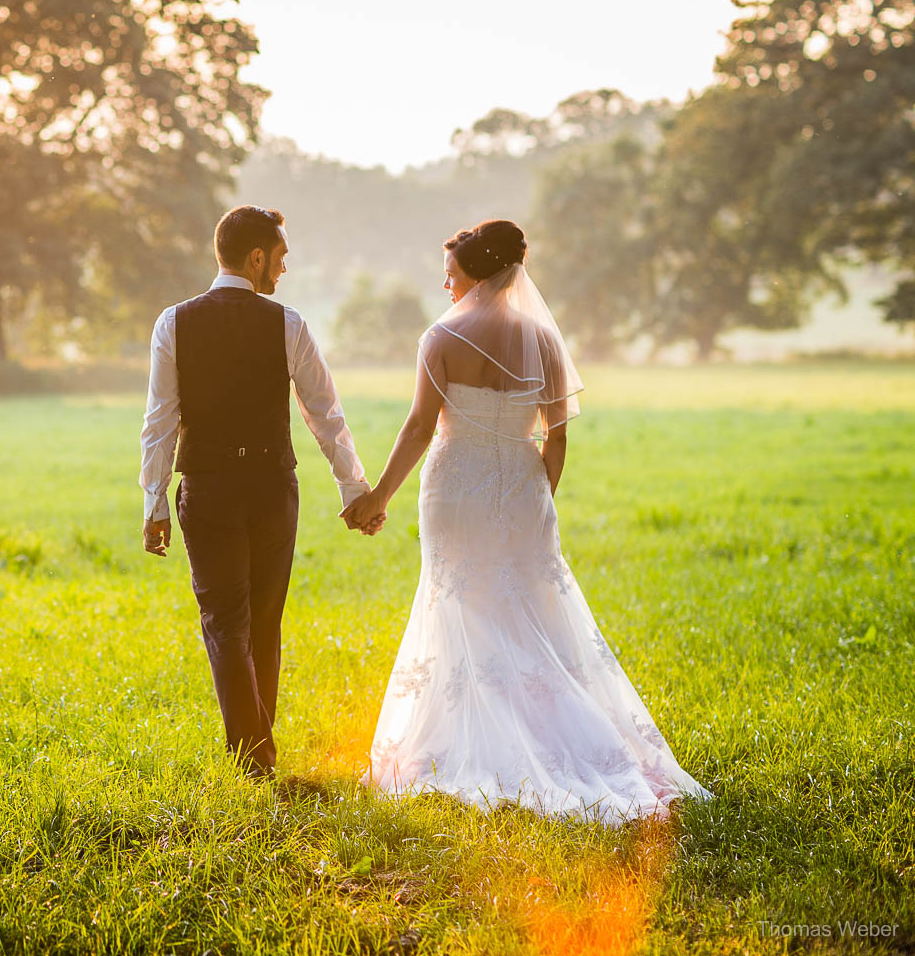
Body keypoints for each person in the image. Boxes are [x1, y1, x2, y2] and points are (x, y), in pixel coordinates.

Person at [341, 219, 710, 822]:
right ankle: (569, 740)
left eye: (452, 273)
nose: (445, 283)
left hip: (453, 489)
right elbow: (557, 438)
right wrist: (536, 494)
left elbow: (417, 426)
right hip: (521, 486)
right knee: (534, 614)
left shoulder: (439, 338)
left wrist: (379, 495)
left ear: (477, 273)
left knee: (459, 608)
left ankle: (468, 743)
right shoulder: (542, 339)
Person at [140, 205, 381, 780]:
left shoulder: (173, 323)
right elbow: (326, 415)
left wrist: (154, 503)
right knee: (262, 623)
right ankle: (257, 759)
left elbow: (160, 421)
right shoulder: (287, 323)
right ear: (255, 258)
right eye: (280, 258)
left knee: (226, 622)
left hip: (208, 489)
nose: (283, 269)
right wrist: (353, 487)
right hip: (273, 487)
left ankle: (253, 761)